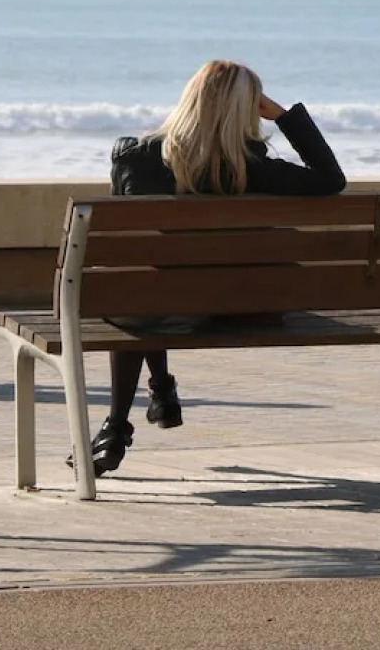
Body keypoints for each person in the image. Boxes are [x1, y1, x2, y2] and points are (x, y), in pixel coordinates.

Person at [69, 59, 346, 477]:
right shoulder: (253, 168)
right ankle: (160, 392)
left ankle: (119, 424)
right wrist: (286, 117)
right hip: (242, 308)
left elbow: (131, 263)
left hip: (157, 305)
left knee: (140, 290)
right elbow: (330, 180)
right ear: (247, 109)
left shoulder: (135, 159)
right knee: (152, 291)